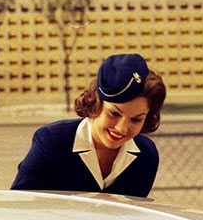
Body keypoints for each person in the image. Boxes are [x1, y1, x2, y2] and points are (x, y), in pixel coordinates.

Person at [11, 53, 166, 197]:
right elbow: (22, 206)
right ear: (96, 104)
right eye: (114, 113)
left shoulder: (146, 155)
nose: (122, 128)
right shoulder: (52, 141)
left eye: (136, 119)